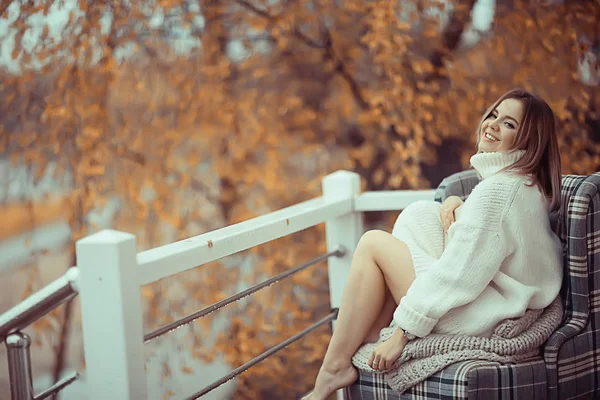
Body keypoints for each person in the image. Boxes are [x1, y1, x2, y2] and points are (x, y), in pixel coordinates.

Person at [302, 88, 563, 400]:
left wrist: (404, 333)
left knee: (372, 243)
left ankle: (333, 368)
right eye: (494, 115)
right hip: (494, 304)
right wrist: (459, 202)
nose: (492, 124)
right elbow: (490, 239)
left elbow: (459, 273)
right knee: (422, 213)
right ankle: (372, 331)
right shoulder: (522, 186)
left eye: (509, 124)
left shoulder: (498, 193)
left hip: (479, 317)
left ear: (529, 142)